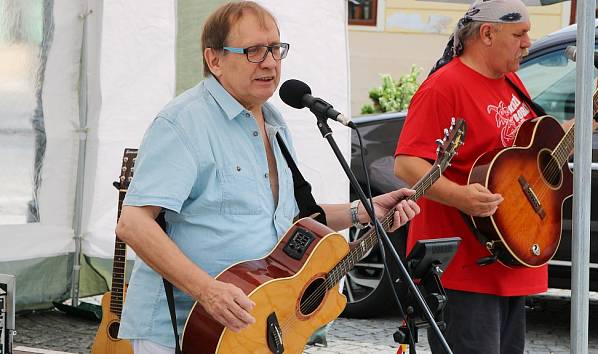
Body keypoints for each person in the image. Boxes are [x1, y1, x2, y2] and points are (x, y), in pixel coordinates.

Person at [115, 2, 421, 354]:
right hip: (182, 328)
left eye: (275, 49)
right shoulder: (184, 122)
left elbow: (283, 218)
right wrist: (207, 291)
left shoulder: (274, 122)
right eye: (253, 51)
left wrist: (363, 211)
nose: (270, 62)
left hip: (257, 328)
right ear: (214, 60)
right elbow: (134, 224)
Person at [393, 1, 598, 353]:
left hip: (511, 259)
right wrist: (460, 196)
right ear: (487, 33)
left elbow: (543, 154)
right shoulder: (445, 86)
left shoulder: (512, 82)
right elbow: (407, 163)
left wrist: (596, 110)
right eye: (519, 33)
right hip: (465, 268)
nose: (528, 42)